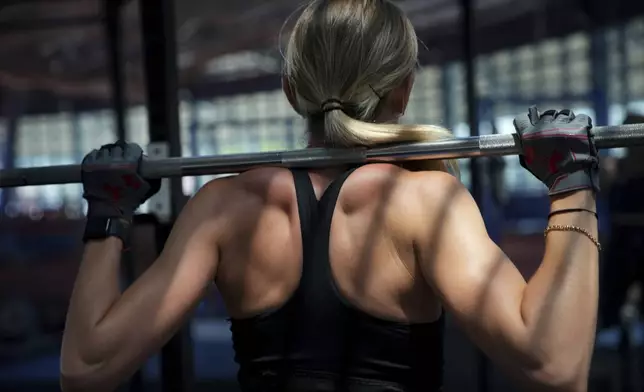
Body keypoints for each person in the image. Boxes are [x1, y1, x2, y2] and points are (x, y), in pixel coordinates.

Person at [60, 1, 601, 391]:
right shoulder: (424, 203)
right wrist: (571, 183)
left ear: (292, 92)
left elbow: (86, 368)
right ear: (402, 89)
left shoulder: (222, 207)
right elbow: (552, 366)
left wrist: (108, 216)